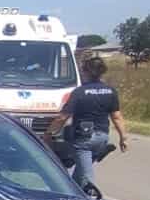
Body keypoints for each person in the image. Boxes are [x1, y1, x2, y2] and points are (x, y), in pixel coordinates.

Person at [47, 55, 128, 189]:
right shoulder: (110, 91)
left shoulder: (80, 92)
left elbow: (62, 117)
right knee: (79, 174)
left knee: (87, 179)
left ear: (86, 72)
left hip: (83, 140)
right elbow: (116, 117)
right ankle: (71, 195)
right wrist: (123, 138)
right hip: (102, 137)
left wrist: (48, 134)